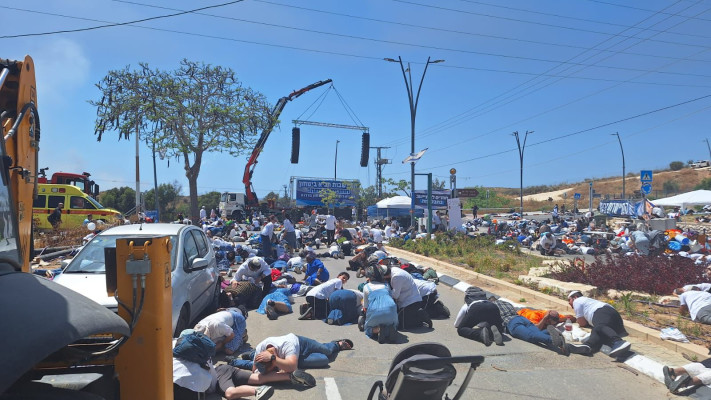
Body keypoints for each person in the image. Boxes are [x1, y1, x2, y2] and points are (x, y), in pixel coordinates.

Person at [172, 332, 284, 400]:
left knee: (230, 393)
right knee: (257, 378)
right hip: (224, 368)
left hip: (219, 377)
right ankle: (288, 376)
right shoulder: (202, 358)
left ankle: (257, 391)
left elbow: (208, 388)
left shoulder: (196, 369)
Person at [491, 298, 591, 355]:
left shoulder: (492, 307)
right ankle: (549, 332)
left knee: (531, 336)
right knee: (536, 333)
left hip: (511, 323)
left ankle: (562, 344)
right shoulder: (506, 303)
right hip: (521, 319)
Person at [567, 290, 631, 356]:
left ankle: (618, 341)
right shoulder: (589, 302)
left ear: (575, 297)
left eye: (569, 300)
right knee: (597, 331)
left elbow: (582, 323)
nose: (569, 303)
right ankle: (587, 346)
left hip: (602, 312)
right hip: (614, 318)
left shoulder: (577, 301)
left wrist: (577, 320)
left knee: (599, 327)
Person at [252, 333, 353, 371]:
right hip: (294, 358)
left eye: (273, 366)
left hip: (301, 343)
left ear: (275, 356)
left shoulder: (288, 344)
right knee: (324, 360)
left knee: (328, 351)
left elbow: (291, 368)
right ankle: (237, 361)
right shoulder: (259, 349)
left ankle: (337, 344)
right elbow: (254, 370)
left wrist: (274, 360)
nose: (274, 369)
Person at [361, 264, 399, 343]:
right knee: (393, 323)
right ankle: (389, 329)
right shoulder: (386, 285)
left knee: (367, 329)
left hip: (375, 310)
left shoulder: (366, 287)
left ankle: (378, 329)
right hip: (391, 308)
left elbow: (365, 306)